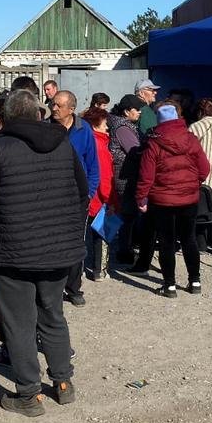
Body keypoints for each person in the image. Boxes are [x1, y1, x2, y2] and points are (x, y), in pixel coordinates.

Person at [0, 90, 87, 418]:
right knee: (52, 314)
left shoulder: (0, 149)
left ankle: (29, 394)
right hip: (57, 249)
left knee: (19, 323)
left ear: (6, 117)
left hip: (12, 252)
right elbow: (81, 192)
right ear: (38, 113)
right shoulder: (63, 143)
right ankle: (63, 383)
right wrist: (67, 230)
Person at [134, 103, 210, 298]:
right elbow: (204, 168)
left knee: (166, 242)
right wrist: (193, 183)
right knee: (189, 239)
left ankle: (169, 286)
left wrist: (141, 197)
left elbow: (146, 175)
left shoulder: (154, 142)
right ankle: (195, 281)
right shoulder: (191, 139)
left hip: (162, 201)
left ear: (159, 120)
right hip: (189, 199)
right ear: (177, 118)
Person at [50, 90, 99, 307]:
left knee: (76, 243)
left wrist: (89, 192)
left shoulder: (83, 129)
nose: (53, 108)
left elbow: (93, 164)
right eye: (53, 104)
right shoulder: (45, 128)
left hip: (78, 196)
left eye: (59, 105)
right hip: (52, 196)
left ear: (71, 109)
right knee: (51, 241)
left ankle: (73, 287)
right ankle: (52, 287)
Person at [108, 95, 145, 264]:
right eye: (137, 110)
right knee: (127, 216)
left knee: (124, 215)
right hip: (125, 176)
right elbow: (135, 151)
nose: (139, 112)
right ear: (126, 112)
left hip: (121, 174)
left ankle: (120, 249)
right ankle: (124, 251)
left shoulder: (118, 123)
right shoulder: (123, 127)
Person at [81, 106, 115, 281]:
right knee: (102, 234)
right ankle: (99, 270)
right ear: (95, 124)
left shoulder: (87, 141)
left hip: (88, 195)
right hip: (99, 198)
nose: (107, 127)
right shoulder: (100, 145)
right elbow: (105, 176)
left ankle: (81, 269)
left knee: (85, 234)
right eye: (104, 123)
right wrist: (110, 200)